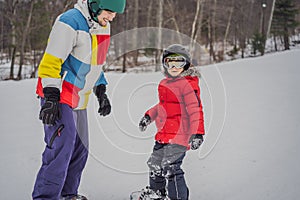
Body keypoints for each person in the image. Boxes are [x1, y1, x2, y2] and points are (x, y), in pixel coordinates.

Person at [32, 0, 126, 199]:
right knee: (62, 147)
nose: (111, 17)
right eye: (109, 11)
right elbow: (51, 61)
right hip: (59, 95)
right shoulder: (69, 22)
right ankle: (46, 197)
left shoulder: (102, 26)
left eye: (115, 13)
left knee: (80, 148)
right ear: (95, 4)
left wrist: (101, 89)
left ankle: (67, 194)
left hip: (79, 98)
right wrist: (50, 97)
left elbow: (95, 63)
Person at [139, 44, 205, 200]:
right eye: (170, 63)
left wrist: (198, 133)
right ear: (164, 64)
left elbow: (196, 109)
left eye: (179, 63)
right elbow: (162, 107)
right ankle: (157, 193)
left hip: (179, 136)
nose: (174, 67)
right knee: (155, 164)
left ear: (186, 64)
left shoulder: (188, 84)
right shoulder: (165, 84)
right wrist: (149, 116)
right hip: (163, 134)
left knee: (171, 168)